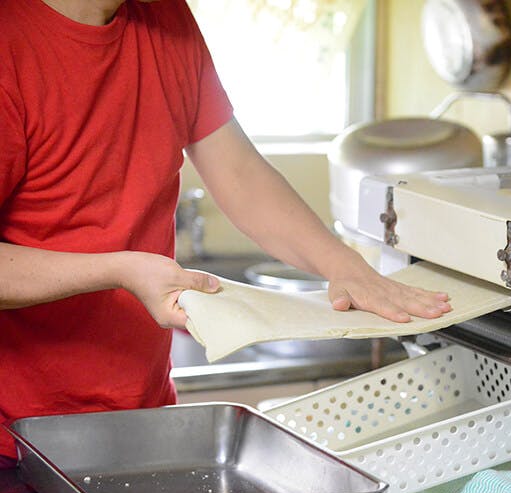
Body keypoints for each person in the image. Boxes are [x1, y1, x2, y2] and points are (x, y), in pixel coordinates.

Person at [0, 0, 451, 467]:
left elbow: (239, 176)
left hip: (141, 423)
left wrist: (344, 266)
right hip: (16, 443)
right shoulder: (10, 41)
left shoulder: (166, 18)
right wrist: (120, 270)